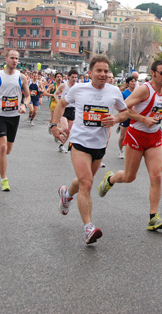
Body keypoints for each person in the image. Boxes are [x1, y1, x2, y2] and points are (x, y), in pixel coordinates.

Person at [53, 55, 128, 244]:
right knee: (87, 184)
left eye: (105, 71)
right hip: (79, 143)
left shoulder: (114, 91)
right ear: (90, 73)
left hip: (99, 146)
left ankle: (67, 194)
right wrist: (54, 126)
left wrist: (116, 119)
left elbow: (125, 112)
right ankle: (88, 227)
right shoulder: (78, 89)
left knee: (82, 180)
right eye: (99, 71)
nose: (102, 74)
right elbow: (61, 104)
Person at [97, 60, 162, 231]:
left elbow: (160, 110)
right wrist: (143, 119)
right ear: (153, 73)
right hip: (136, 135)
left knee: (157, 177)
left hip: (154, 136)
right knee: (129, 177)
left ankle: (153, 217)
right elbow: (123, 108)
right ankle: (110, 179)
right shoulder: (144, 89)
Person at [0, 49, 31, 191]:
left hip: (14, 116)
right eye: (12, 58)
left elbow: (27, 96)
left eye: (17, 58)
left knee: (8, 150)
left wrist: (24, 105)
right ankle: (4, 179)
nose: (15, 61)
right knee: (4, 148)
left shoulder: (21, 77)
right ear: (6, 59)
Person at [54, 69, 79, 153]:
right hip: (64, 109)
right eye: (72, 77)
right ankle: (57, 131)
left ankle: (62, 145)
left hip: (73, 110)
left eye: (76, 77)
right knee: (65, 127)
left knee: (69, 131)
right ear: (68, 77)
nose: (74, 79)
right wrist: (59, 102)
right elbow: (55, 94)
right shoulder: (64, 86)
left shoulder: (78, 87)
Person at [118, 76, 137, 159]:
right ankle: (121, 150)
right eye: (132, 81)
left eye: (135, 81)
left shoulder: (137, 93)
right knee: (123, 136)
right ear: (128, 83)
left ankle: (130, 151)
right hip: (126, 116)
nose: (133, 83)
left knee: (133, 135)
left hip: (134, 117)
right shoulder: (124, 93)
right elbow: (120, 106)